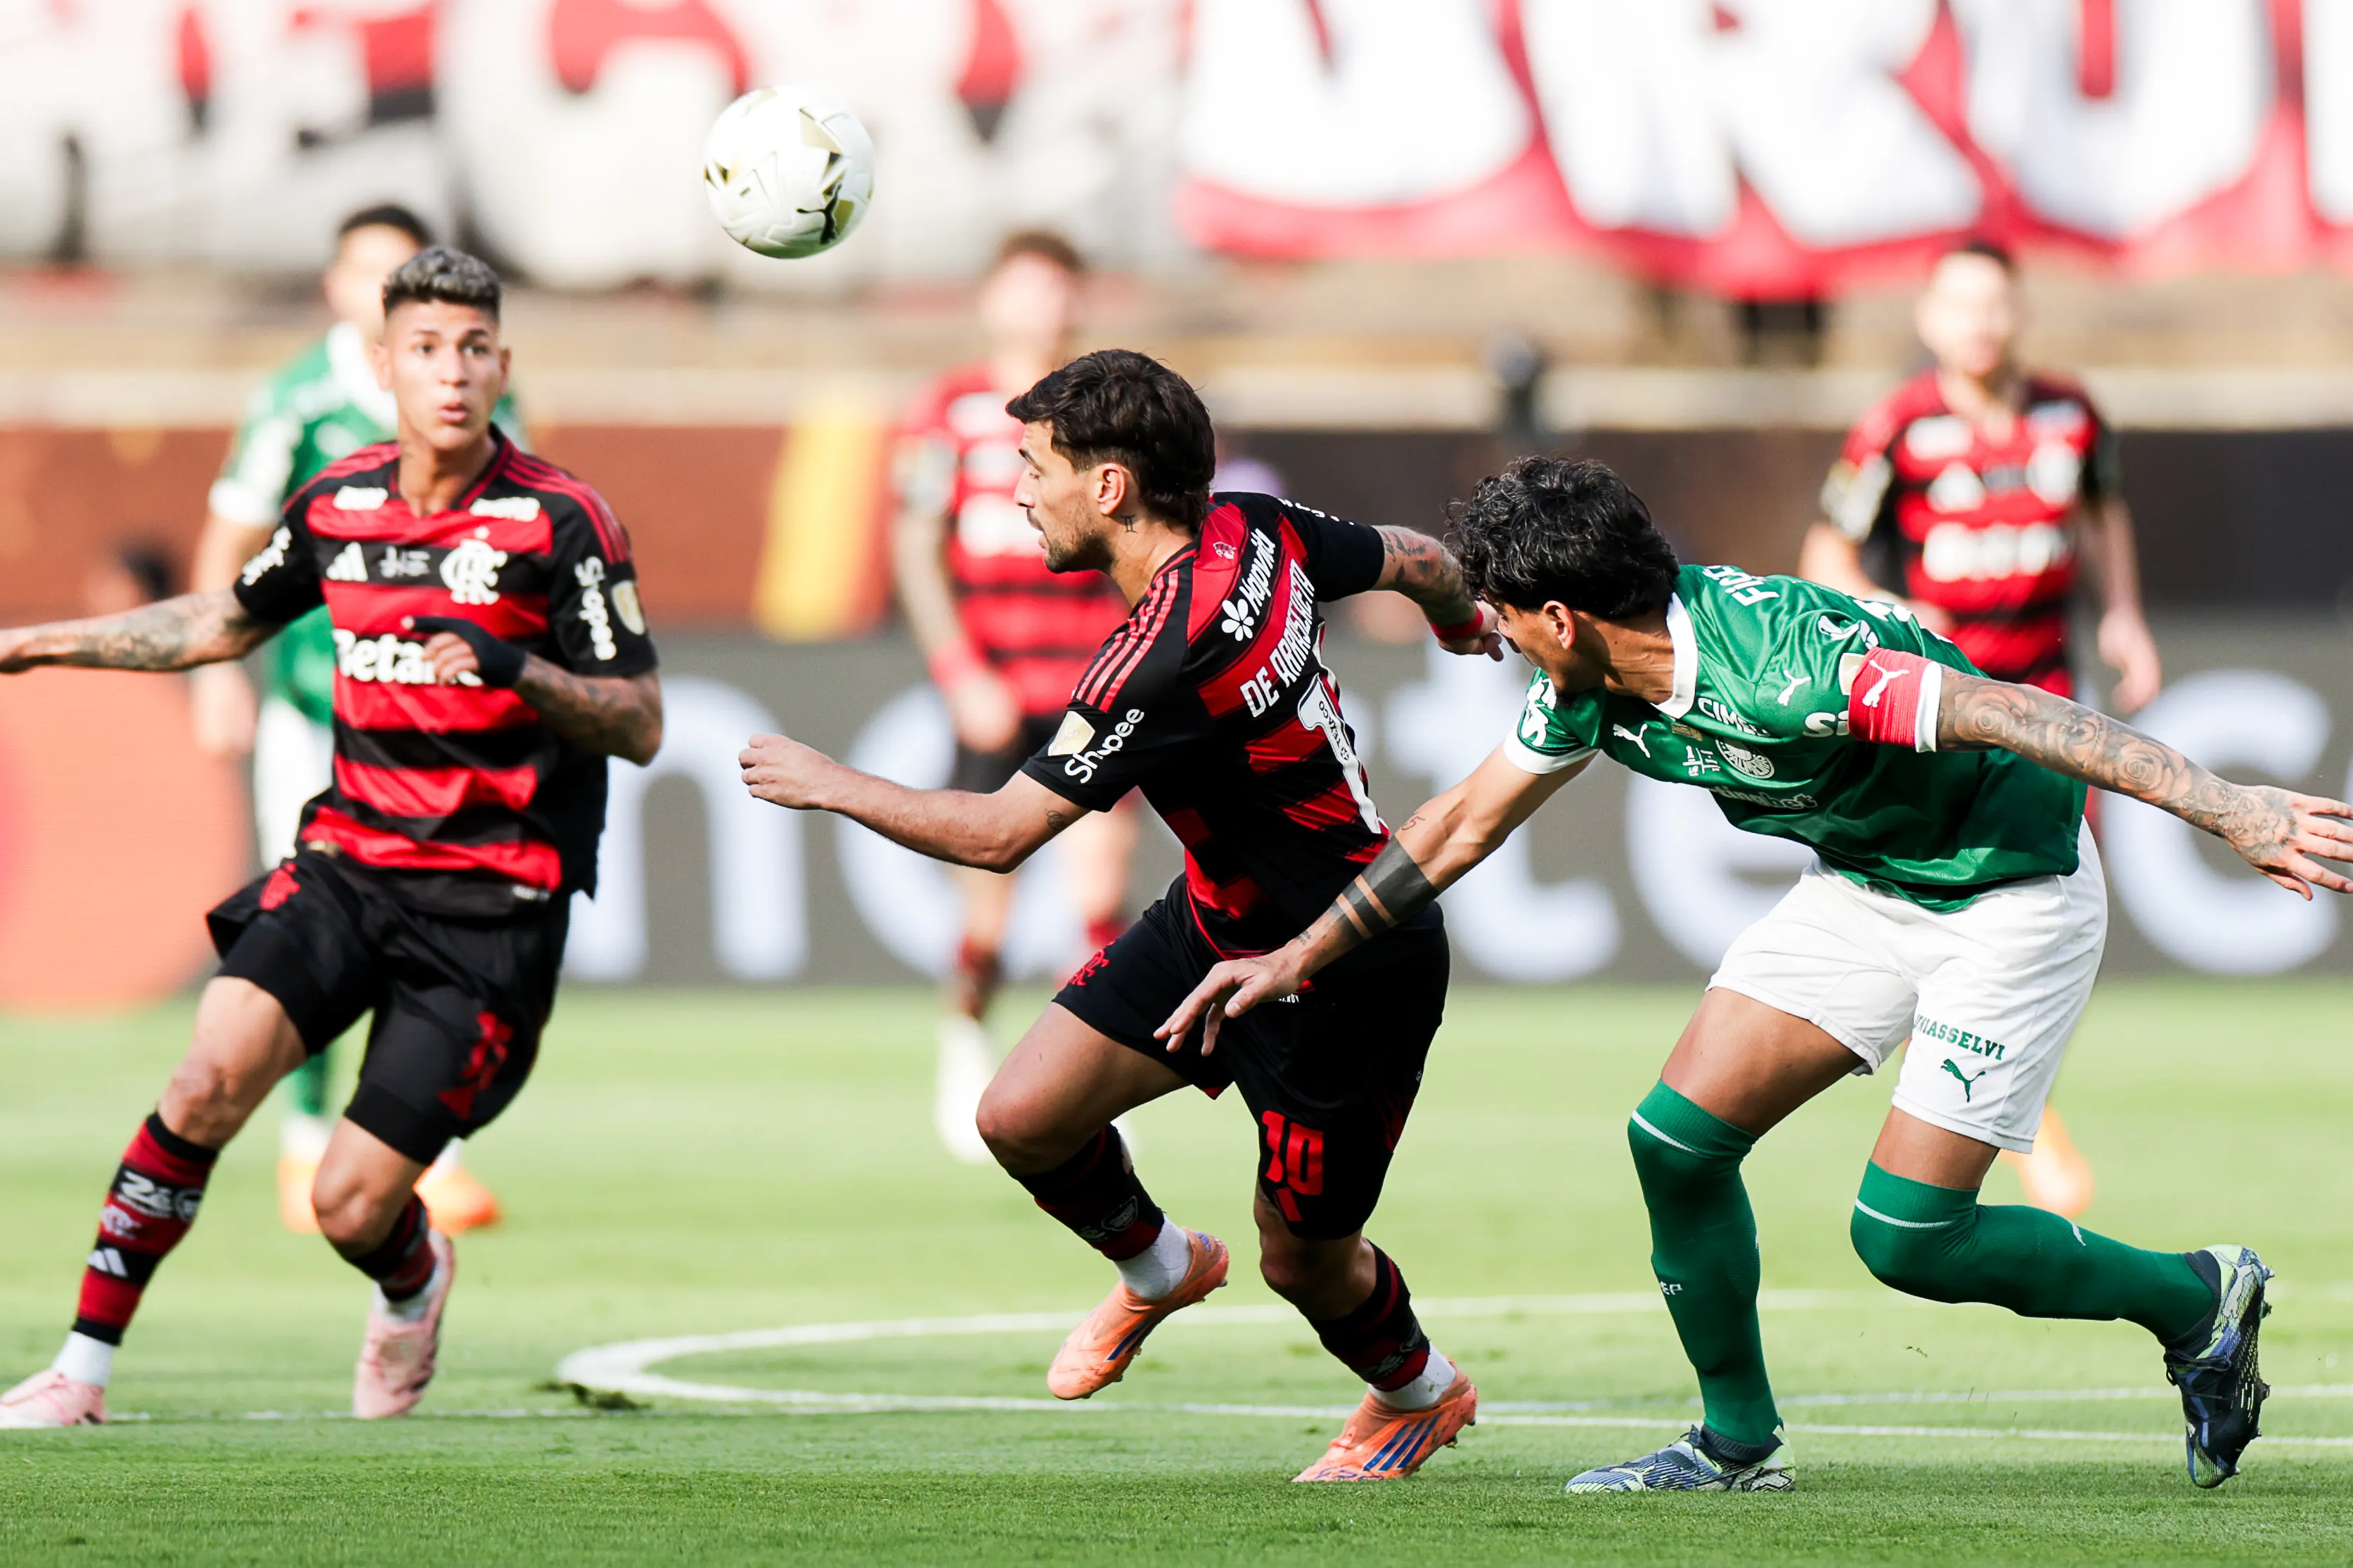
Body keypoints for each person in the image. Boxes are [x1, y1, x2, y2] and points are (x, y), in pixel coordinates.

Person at [1161, 458, 2351, 1494]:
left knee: (1906, 1241)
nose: (1497, 635)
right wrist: (1298, 956)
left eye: (1506, 616)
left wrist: (2227, 804)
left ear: (1563, 617)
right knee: (1673, 1141)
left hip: (2008, 896)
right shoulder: (1590, 687)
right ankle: (1734, 1444)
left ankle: (2197, 1297)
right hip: (1863, 886)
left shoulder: (1785, 664)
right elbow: (1461, 821)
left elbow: (2015, 712)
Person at [743, 349, 1502, 1482]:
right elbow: (1419, 557)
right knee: (1019, 1116)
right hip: (1218, 924)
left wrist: (825, 780)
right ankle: (1158, 1267)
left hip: (1347, 964)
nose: (1013, 493)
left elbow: (1001, 834)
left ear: (1108, 489)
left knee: (1303, 1261)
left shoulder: (1161, 654)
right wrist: (1460, 619)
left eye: (1032, 467)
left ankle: (1419, 1389)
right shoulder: (1257, 525)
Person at [0, 247, 662, 1428]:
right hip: (349, 867)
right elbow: (221, 620)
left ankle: (411, 1276)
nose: (450, 372)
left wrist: (518, 668)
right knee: (205, 1077)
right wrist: (41, 642)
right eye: (424, 348)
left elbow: (641, 719)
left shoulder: (561, 522)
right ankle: (80, 1372)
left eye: (472, 348)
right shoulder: (338, 504)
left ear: (502, 365)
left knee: (353, 1206)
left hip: (489, 909)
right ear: (381, 363)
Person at [1800, 238, 2161, 1217]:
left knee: (2050, 903)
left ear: (2018, 312)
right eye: (1960, 305)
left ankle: (2007, 1097)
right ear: (1928, 318)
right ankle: (2017, 1118)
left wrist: (2121, 611)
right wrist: (1888, 607)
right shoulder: (1895, 428)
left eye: (1995, 304)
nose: (1980, 323)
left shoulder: (2071, 413)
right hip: (1941, 708)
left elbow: (2102, 512)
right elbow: (1824, 552)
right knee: (1947, 906)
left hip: (2048, 698)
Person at [192, 204, 526, 1237]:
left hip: (441, 718)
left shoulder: (467, 388)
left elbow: (525, 524)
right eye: (370, 277)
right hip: (315, 705)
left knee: (442, 923)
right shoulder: (297, 400)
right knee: (311, 928)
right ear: (341, 291)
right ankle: (303, 1146)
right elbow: (235, 535)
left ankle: (426, 1152)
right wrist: (219, 671)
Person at [891, 232, 1140, 1164]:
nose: (1041, 304)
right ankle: (964, 1047)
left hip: (1096, 688)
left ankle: (1091, 1089)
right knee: (987, 915)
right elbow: (914, 542)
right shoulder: (949, 409)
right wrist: (958, 669)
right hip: (995, 689)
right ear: (993, 297)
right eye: (1024, 287)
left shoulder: (1108, 412)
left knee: (1100, 896)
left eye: (1056, 287)